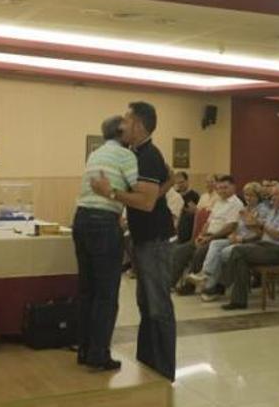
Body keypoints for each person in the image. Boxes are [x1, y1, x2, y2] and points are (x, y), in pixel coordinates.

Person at [90, 101, 177, 381]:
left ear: (139, 125)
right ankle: (148, 365)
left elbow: (146, 202)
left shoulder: (149, 155)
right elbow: (170, 177)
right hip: (144, 239)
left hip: (156, 241)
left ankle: (163, 372)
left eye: (126, 121)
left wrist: (110, 193)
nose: (121, 125)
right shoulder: (135, 153)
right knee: (146, 304)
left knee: (158, 306)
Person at [71, 116, 137, 371]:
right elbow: (137, 190)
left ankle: (85, 349)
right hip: (104, 221)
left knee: (87, 290)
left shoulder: (96, 153)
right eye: (129, 126)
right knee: (107, 294)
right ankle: (99, 354)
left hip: (82, 219)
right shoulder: (126, 156)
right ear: (121, 131)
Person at [220, 184, 279, 310]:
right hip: (265, 246)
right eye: (271, 195)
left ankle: (223, 282)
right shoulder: (274, 210)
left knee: (237, 250)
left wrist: (261, 224)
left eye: (275, 194)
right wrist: (253, 222)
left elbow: (278, 236)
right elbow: (262, 231)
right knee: (240, 259)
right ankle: (239, 301)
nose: (271, 198)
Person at [198, 182, 268, 302]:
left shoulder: (263, 210)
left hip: (251, 242)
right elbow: (237, 227)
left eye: (251, 195)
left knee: (224, 253)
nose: (248, 198)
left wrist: (243, 237)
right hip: (238, 239)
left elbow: (261, 234)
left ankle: (214, 286)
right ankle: (206, 274)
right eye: (246, 195)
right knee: (215, 244)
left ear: (258, 196)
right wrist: (233, 235)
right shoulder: (244, 209)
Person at [182, 175, 243, 289]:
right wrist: (202, 235)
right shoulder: (219, 202)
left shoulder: (236, 204)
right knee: (182, 250)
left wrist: (210, 238)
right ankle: (169, 283)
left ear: (233, 187)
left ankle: (189, 286)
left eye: (225, 187)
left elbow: (230, 227)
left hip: (222, 237)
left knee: (199, 252)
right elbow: (208, 222)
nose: (221, 191)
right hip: (208, 235)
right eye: (219, 188)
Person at [172, 171, 200, 242]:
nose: (180, 185)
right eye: (177, 183)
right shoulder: (175, 194)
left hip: (186, 223)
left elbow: (195, 211)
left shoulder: (194, 195)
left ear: (187, 181)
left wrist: (183, 208)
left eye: (182, 182)